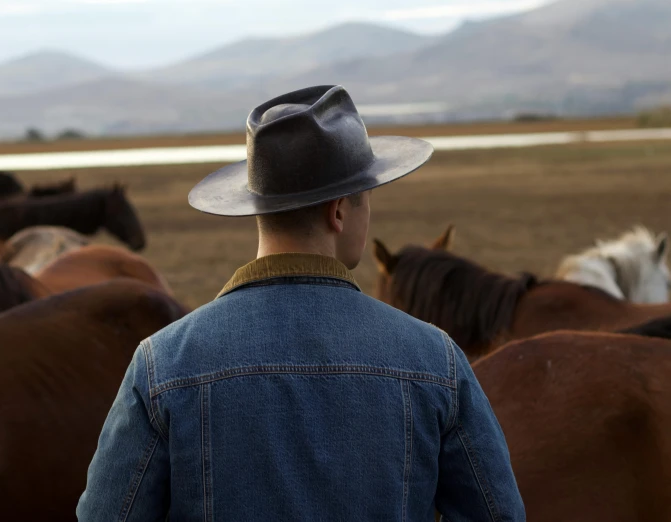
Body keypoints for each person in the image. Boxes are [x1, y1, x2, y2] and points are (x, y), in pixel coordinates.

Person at [77, 85, 525, 521]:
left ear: (258, 207)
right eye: (366, 196)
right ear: (338, 211)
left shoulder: (163, 364)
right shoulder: (435, 360)